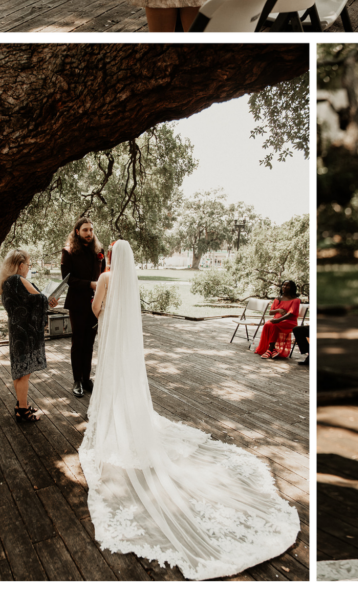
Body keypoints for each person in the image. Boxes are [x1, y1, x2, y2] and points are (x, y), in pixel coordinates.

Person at [80, 240, 299, 578]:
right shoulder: (131, 279)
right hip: (127, 342)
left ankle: (113, 421)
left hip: (110, 337)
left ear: (110, 257)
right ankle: (126, 417)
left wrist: (104, 307)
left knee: (110, 376)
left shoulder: (107, 277)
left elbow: (96, 310)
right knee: (126, 379)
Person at [0, 249, 58, 422]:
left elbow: (29, 302)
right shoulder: (17, 280)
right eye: (28, 265)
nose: (28, 269)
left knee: (19, 370)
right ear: (21, 265)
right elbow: (40, 299)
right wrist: (50, 300)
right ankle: (23, 411)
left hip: (16, 331)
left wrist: (45, 301)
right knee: (24, 373)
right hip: (25, 334)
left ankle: (20, 404)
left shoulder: (6, 283)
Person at [60, 217, 104, 398]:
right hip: (77, 304)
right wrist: (90, 285)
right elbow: (68, 279)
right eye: (85, 230)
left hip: (95, 305)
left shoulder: (99, 251)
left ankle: (87, 380)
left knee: (89, 343)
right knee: (78, 343)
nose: (89, 233)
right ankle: (77, 380)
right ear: (77, 231)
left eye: (91, 230)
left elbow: (103, 276)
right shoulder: (68, 252)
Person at [254, 281, 301, 359]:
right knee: (267, 324)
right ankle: (273, 349)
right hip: (277, 320)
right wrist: (278, 310)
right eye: (284, 285)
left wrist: (278, 320)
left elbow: (291, 313)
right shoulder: (278, 299)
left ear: (292, 288)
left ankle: (270, 349)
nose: (285, 287)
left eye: (288, 285)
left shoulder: (296, 300)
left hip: (289, 321)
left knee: (274, 325)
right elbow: (270, 312)